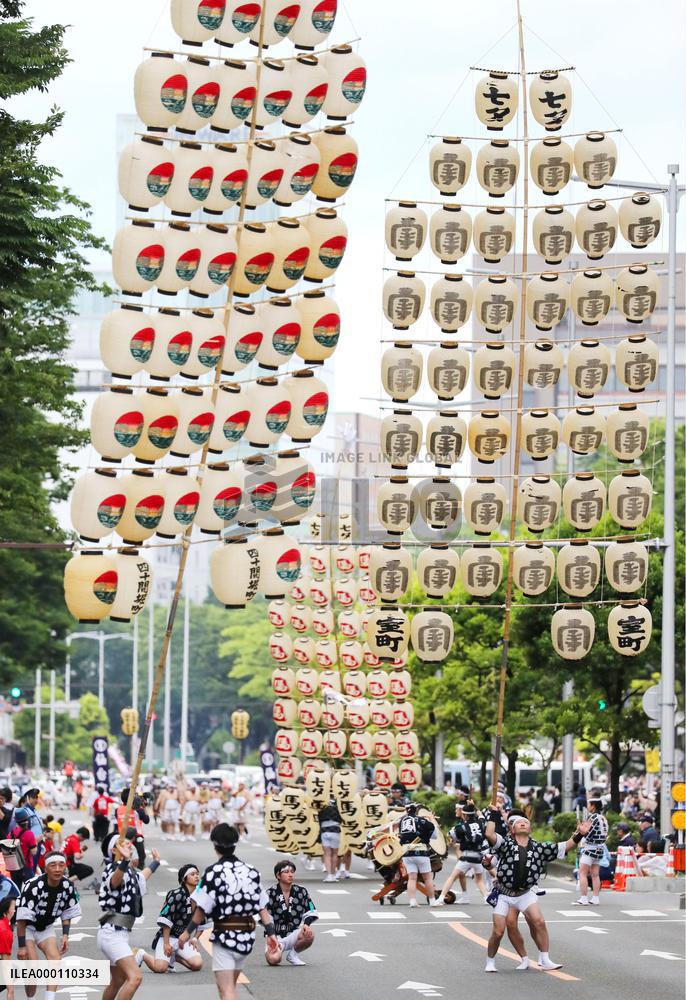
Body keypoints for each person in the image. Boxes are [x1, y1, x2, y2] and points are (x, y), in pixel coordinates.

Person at [177, 824, 279, 1000]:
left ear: (215, 846)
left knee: (227, 991)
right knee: (229, 987)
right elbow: (262, 907)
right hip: (247, 936)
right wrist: (271, 934)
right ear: (235, 843)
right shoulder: (251, 871)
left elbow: (202, 908)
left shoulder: (213, 873)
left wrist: (186, 933)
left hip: (225, 935)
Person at [483, 812, 591, 973]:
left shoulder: (540, 848)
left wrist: (580, 835)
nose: (522, 823)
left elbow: (564, 847)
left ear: (530, 828)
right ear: (512, 830)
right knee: (498, 931)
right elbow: (489, 834)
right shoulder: (505, 844)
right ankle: (490, 961)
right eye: (518, 823)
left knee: (539, 921)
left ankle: (545, 958)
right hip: (504, 894)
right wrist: (493, 814)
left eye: (525, 822)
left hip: (525, 893)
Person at [98, 837, 161, 1000]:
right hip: (112, 933)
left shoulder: (130, 871)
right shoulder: (113, 868)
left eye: (128, 841)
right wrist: (124, 861)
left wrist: (155, 862)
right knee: (135, 978)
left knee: (118, 981)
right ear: (114, 851)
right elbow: (114, 881)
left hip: (117, 933)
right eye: (122, 842)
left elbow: (142, 877)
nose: (128, 843)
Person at [16, 851, 81, 998]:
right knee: (33, 965)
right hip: (28, 927)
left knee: (55, 960)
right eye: (53, 865)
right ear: (46, 868)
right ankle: (30, 998)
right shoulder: (33, 885)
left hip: (47, 927)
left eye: (61, 865)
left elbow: (67, 912)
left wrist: (65, 935)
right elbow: (21, 919)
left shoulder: (67, 885)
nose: (58, 869)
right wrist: (21, 946)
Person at [135, 864, 203, 975]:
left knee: (197, 964)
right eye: (192, 874)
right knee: (160, 968)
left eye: (197, 874)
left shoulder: (200, 896)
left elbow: (202, 920)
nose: (196, 876)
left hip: (183, 939)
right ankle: (142, 954)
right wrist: (166, 944)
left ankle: (174, 955)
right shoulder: (176, 894)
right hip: (167, 936)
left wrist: (195, 938)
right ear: (184, 878)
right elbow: (166, 919)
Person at [264, 860, 318, 966]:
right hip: (275, 935)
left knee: (309, 934)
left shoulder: (302, 891)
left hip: (293, 933)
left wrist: (306, 924)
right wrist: (271, 936)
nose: (290, 874)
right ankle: (276, 951)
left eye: (292, 871)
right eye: (286, 872)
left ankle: (293, 955)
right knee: (274, 960)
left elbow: (311, 909)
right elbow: (266, 917)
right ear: (278, 875)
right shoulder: (270, 893)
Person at [437, 801, 489, 905]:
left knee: (452, 877)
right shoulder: (481, 823)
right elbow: (480, 815)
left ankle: (441, 898)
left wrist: (453, 842)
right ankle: (486, 898)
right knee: (479, 880)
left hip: (466, 856)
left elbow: (452, 837)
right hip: (479, 857)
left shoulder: (460, 828)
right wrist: (474, 805)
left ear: (464, 815)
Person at [395, 803, 439, 908]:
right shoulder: (422, 820)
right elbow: (435, 836)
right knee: (427, 878)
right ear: (416, 810)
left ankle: (412, 901)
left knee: (412, 878)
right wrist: (432, 820)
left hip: (406, 853)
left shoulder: (401, 821)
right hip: (421, 852)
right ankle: (432, 901)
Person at [574, 798, 609, 906]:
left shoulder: (592, 817)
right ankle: (595, 897)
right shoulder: (603, 818)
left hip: (590, 848)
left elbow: (588, 834)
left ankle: (584, 898)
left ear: (593, 806)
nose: (588, 806)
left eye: (589, 804)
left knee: (582, 873)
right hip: (600, 848)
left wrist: (579, 832)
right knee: (595, 874)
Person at [116, 790, 150, 866]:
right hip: (135, 837)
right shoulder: (138, 810)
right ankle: (140, 867)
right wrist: (144, 808)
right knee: (141, 856)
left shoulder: (117, 810)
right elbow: (147, 820)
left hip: (121, 837)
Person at [10, 808, 39, 890]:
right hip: (26, 867)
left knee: (17, 891)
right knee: (31, 889)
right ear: (27, 820)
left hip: (14, 867)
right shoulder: (29, 833)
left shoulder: (11, 833)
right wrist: (36, 842)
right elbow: (34, 852)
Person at [317, 797, 342, 882]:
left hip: (325, 831)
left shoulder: (322, 805)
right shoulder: (338, 806)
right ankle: (333, 874)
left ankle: (329, 875)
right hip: (335, 830)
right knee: (335, 854)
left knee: (327, 854)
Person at [0, 898, 15, 1000]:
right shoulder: (5, 930)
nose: (15, 910)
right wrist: (10, 989)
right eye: (13, 907)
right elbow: (5, 961)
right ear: (6, 912)